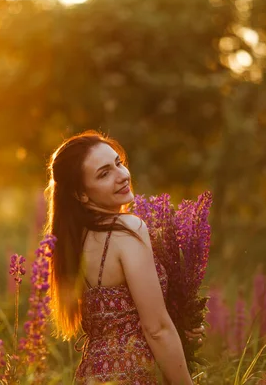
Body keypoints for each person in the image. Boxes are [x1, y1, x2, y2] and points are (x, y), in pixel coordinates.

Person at [44, 130, 205, 385]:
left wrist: (180, 324)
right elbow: (156, 329)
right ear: (81, 194)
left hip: (91, 376)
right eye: (104, 173)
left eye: (118, 163)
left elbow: (122, 318)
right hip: (135, 374)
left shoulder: (73, 242)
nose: (122, 176)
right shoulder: (128, 229)